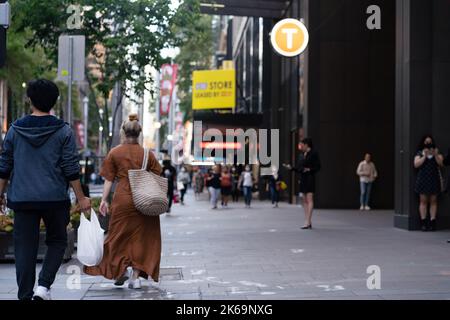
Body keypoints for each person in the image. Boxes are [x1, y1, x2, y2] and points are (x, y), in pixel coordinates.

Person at [0, 79, 91, 300]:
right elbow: (70, 168)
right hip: (55, 199)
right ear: (54, 101)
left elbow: (4, 166)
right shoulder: (64, 131)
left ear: (29, 99)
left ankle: (24, 296)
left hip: (22, 199)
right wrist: (81, 198)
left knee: (24, 249)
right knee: (58, 241)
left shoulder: (14, 130)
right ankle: (43, 288)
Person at [84, 114, 162, 289]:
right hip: (144, 200)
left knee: (117, 236)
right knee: (142, 238)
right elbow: (158, 173)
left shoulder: (115, 152)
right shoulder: (147, 154)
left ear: (123, 132)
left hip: (123, 199)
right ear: (139, 133)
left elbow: (109, 180)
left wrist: (103, 200)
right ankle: (136, 277)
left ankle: (120, 271)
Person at [285, 138, 321, 229]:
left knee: (309, 199)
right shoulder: (301, 155)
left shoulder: (314, 153)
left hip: (310, 178)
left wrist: (310, 169)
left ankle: (308, 222)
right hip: (303, 178)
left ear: (306, 145)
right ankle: (307, 220)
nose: (301, 147)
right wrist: (291, 168)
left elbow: (318, 166)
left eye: (302, 145)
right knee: (304, 200)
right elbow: (299, 167)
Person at [413, 135, 444, 231]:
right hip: (423, 179)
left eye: (430, 141)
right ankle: (423, 222)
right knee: (423, 201)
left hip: (434, 178)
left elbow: (441, 164)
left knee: (433, 201)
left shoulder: (437, 152)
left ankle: (432, 222)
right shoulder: (419, 153)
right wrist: (425, 156)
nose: (428, 143)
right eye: (426, 142)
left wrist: (435, 154)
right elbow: (416, 164)